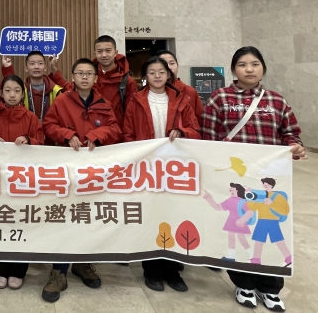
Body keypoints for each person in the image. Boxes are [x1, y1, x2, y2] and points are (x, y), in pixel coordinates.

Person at [202, 46, 305, 312]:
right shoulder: (219, 98)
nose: (249, 69)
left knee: (272, 230)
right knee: (241, 230)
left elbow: (291, 133)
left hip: (269, 181)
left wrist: (294, 146)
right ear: (233, 69)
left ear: (263, 68)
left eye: (255, 64)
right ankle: (243, 283)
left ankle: (271, 287)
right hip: (237, 181)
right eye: (242, 64)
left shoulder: (276, 101)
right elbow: (207, 138)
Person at [40, 58, 121, 302]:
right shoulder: (62, 100)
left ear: (96, 78)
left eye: (89, 74)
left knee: (87, 217)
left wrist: (96, 135)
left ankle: (82, 263)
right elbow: (48, 125)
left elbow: (115, 129)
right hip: (67, 170)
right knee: (65, 218)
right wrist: (67, 134)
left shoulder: (104, 103)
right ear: (73, 77)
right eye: (80, 73)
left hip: (93, 173)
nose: (84, 77)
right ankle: (59, 272)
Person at [122, 55, 200, 293]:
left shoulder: (182, 99)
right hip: (147, 170)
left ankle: (173, 271)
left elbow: (195, 130)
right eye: (152, 72)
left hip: (175, 170)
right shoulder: (135, 100)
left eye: (161, 72)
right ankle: (151, 270)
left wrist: (183, 132)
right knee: (150, 218)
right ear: (145, 76)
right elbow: (127, 134)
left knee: (174, 217)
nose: (157, 76)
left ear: (169, 75)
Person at [0, 74, 43, 290]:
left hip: (23, 180)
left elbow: (41, 140)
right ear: (1, 93)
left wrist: (29, 141)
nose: (12, 95)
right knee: (0, 220)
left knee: (21, 221)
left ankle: (19, 270)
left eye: (17, 91)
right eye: (8, 90)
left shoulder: (30, 117)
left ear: (22, 94)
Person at [1, 51, 63, 129]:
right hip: (25, 133)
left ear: (45, 68)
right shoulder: (21, 90)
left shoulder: (56, 91)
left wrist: (54, 68)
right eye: (32, 63)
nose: (36, 67)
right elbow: (11, 86)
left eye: (40, 63)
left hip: (51, 134)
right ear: (26, 68)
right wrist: (7, 68)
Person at [92, 35, 138, 128]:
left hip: (116, 132)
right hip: (91, 130)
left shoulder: (128, 81)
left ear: (115, 53)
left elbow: (132, 113)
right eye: (99, 51)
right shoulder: (88, 76)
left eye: (108, 51)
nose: (104, 55)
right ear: (95, 53)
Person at [202, 184, 252, 261]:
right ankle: (231, 255)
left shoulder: (242, 201)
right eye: (230, 189)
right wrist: (210, 199)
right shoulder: (230, 200)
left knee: (241, 238)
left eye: (233, 189)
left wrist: (242, 220)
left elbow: (250, 212)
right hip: (231, 221)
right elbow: (218, 207)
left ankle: (251, 254)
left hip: (239, 222)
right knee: (231, 237)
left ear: (238, 190)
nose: (231, 191)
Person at [156, 50, 204, 123]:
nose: (169, 67)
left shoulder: (189, 91)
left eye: (172, 63)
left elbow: (199, 120)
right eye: (164, 64)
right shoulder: (149, 93)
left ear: (177, 66)